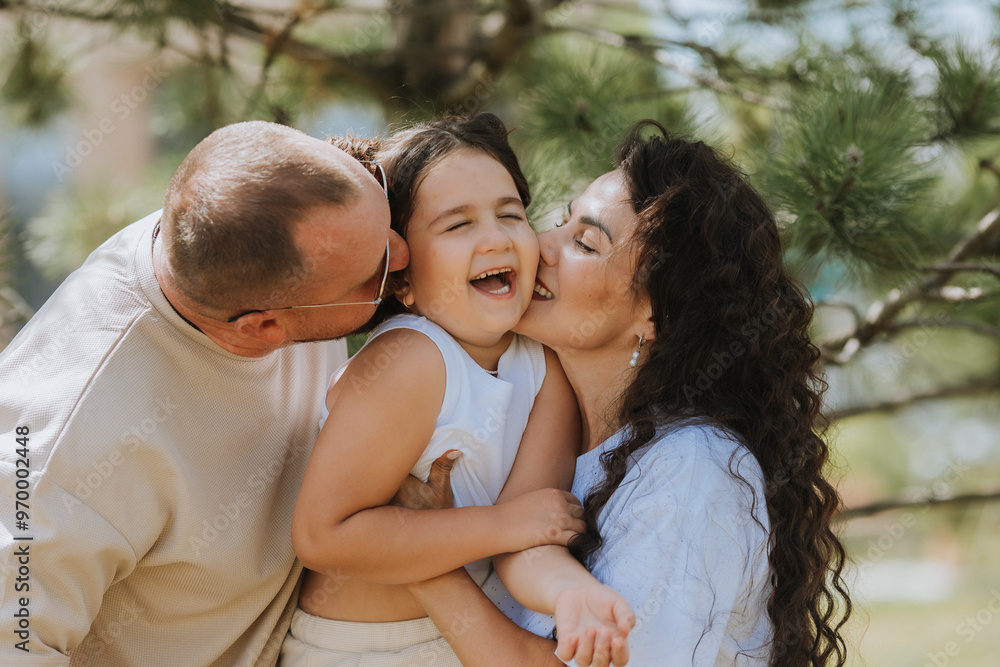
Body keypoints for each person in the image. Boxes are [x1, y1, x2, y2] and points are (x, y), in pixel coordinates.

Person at [401, 120, 853, 666]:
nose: (538, 246)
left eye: (585, 242)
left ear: (654, 315)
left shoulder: (691, 470)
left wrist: (423, 558)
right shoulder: (531, 424)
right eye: (560, 221)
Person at [0, 120, 407, 665]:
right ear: (262, 329)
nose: (403, 252)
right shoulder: (66, 451)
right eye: (377, 272)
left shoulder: (250, 221)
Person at [282, 114, 634, 666]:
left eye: (510, 214)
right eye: (457, 225)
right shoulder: (410, 359)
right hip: (363, 652)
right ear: (402, 277)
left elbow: (532, 529)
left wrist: (572, 594)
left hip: (467, 638)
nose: (495, 237)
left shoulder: (543, 365)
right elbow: (323, 536)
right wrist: (497, 526)